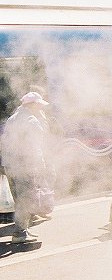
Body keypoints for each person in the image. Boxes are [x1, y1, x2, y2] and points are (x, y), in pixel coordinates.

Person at [0, 92, 55, 244]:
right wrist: (41, 166)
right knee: (26, 200)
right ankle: (20, 233)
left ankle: (22, 229)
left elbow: (4, 143)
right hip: (25, 166)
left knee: (18, 199)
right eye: (39, 105)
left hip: (10, 165)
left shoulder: (12, 119)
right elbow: (34, 148)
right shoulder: (31, 121)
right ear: (33, 105)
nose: (41, 108)